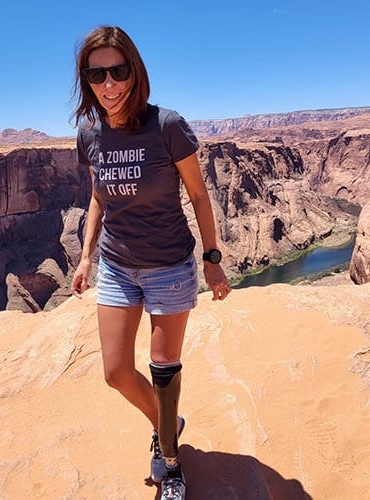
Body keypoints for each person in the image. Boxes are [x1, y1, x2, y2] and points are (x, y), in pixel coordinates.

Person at [70, 25, 231, 499]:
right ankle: (167, 423)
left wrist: (212, 259)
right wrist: (84, 257)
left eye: (117, 71)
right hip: (118, 265)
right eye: (96, 74)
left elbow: (200, 198)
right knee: (116, 372)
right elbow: (99, 194)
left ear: (135, 71)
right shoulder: (89, 132)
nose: (109, 84)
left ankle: (173, 464)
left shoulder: (166, 126)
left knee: (164, 369)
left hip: (169, 266)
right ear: (86, 81)